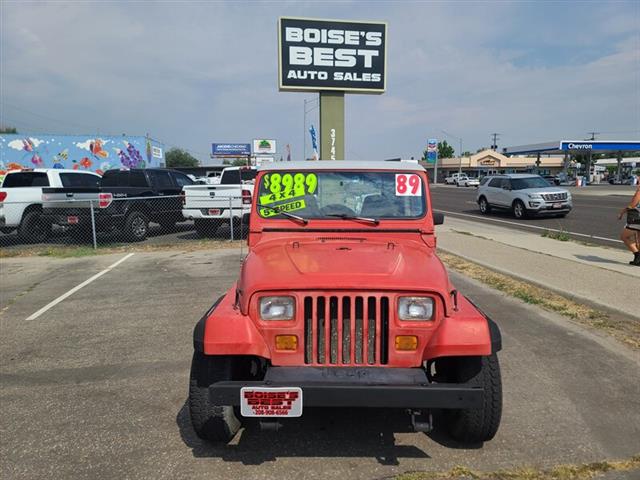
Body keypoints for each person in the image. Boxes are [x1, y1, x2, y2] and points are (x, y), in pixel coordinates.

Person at [618, 175, 640, 266]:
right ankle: (638, 260)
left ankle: (637, 255)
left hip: (637, 218)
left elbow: (633, 204)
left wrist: (622, 212)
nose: (638, 178)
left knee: (624, 236)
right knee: (638, 238)